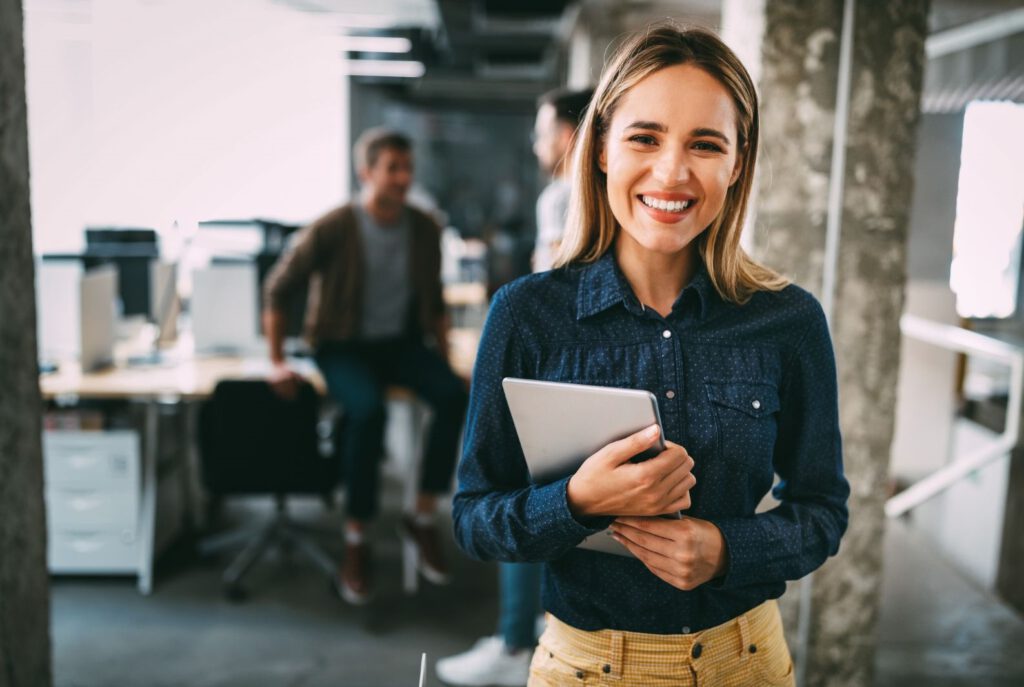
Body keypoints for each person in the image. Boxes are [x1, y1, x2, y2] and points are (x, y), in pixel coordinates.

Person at [452, 23, 849, 687]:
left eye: (705, 144)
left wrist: (727, 549)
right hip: (586, 668)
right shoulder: (526, 314)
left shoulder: (788, 320)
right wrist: (574, 501)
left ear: (737, 163)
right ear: (602, 146)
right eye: (645, 137)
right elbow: (473, 518)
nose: (672, 171)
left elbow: (823, 510)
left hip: (746, 663)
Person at [263, 127, 468, 605]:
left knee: (454, 396)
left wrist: (444, 360)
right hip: (341, 346)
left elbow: (435, 302)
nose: (403, 178)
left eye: (408, 168)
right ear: (366, 172)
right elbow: (278, 288)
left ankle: (419, 518)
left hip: (399, 343)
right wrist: (276, 361)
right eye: (393, 168)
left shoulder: (423, 227)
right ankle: (356, 539)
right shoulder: (334, 225)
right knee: (367, 411)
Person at [436, 86, 594, 687]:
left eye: (544, 129)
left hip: (551, 363)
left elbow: (553, 284)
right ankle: (525, 635)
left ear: (572, 135)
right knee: (561, 504)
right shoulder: (586, 195)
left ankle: (515, 641)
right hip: (564, 360)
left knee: (524, 496)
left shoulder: (563, 196)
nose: (536, 142)